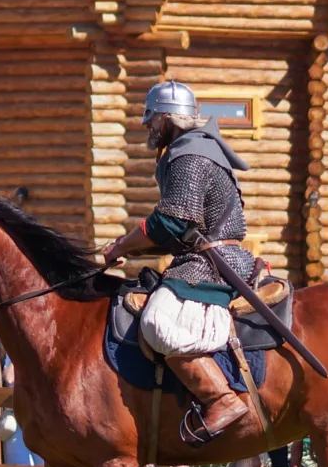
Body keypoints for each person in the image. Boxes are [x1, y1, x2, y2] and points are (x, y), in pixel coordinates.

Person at [103, 80, 254, 446]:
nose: (149, 127)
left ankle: (221, 399)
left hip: (213, 262)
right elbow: (173, 229)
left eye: (152, 119)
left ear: (170, 117)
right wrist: (128, 249)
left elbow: (172, 221)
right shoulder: (188, 149)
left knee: (158, 321)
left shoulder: (191, 152)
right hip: (200, 254)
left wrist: (123, 244)